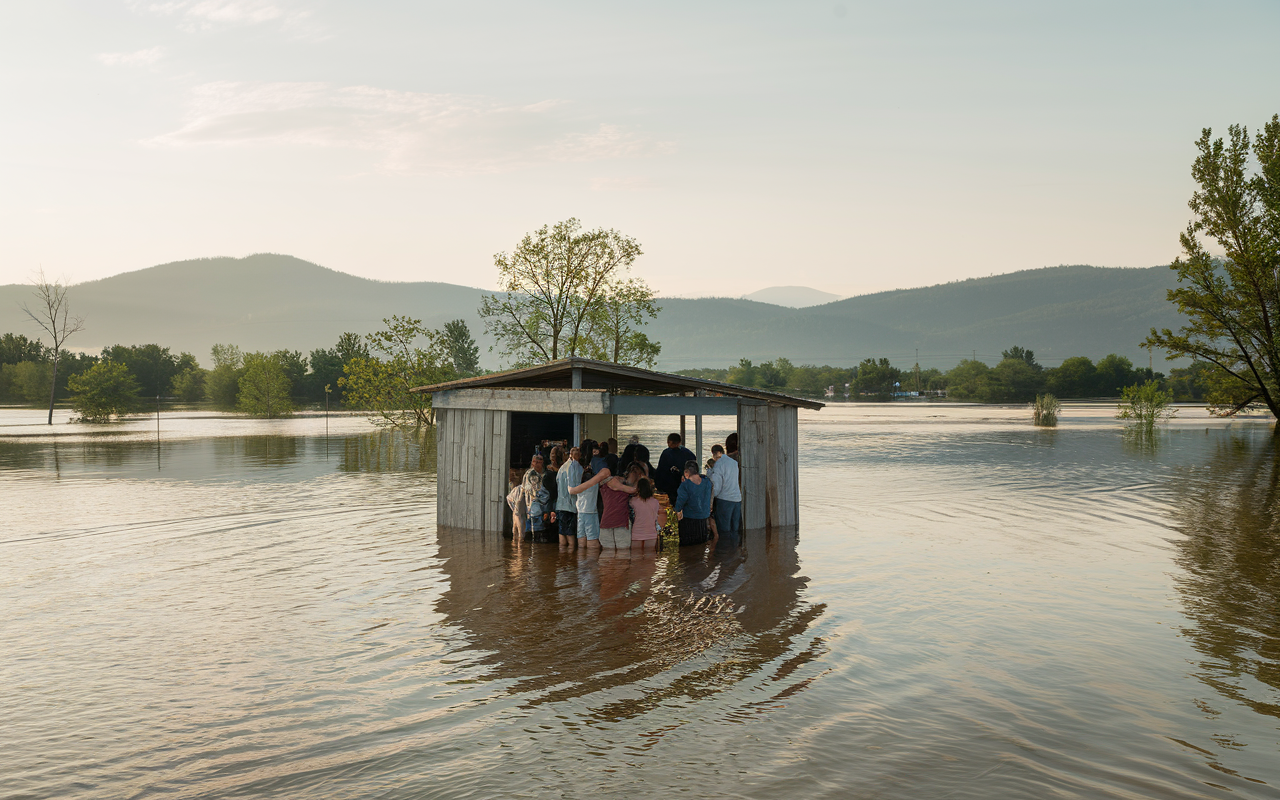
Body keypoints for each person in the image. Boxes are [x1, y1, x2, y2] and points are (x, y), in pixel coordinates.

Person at [570, 459, 638, 549]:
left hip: (605, 522)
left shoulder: (603, 483)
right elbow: (633, 490)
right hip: (620, 522)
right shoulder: (617, 484)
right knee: (623, 553)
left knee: (607, 554)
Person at [571, 439, 608, 549]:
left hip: (580, 506)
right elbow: (606, 473)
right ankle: (592, 564)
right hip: (592, 506)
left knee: (581, 538)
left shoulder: (577, 465)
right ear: (594, 451)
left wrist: (577, 489)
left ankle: (581, 564)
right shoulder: (596, 462)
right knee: (593, 538)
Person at [674, 460, 713, 546]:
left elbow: (681, 500)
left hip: (690, 519)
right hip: (703, 519)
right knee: (701, 545)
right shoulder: (707, 482)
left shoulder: (685, 485)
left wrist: (677, 510)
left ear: (686, 472)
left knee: (687, 546)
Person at [709, 443, 742, 536]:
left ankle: (725, 549)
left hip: (724, 500)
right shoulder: (734, 463)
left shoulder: (719, 465)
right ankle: (735, 549)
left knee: (724, 531)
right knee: (735, 530)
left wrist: (711, 499)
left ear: (715, 453)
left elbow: (716, 487)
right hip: (737, 499)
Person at [554, 446, 581, 550]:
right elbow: (575, 486)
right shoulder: (574, 466)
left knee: (562, 532)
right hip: (570, 505)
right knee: (570, 534)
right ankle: (570, 560)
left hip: (560, 504)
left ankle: (562, 560)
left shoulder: (562, 467)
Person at [655, 433, 695, 501]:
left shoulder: (666, 453)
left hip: (670, 485)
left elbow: (661, 471)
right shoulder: (689, 454)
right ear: (679, 442)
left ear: (668, 442)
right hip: (686, 485)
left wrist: (658, 485)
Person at [521, 454, 550, 542]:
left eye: (539, 462)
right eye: (534, 462)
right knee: (532, 534)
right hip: (533, 508)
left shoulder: (545, 474)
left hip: (541, 508)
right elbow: (527, 489)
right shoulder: (530, 474)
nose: (536, 464)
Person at [629, 477, 663, 550]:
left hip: (636, 532)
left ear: (638, 489)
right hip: (651, 532)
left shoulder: (633, 501)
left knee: (636, 557)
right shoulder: (655, 502)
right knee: (650, 558)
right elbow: (660, 516)